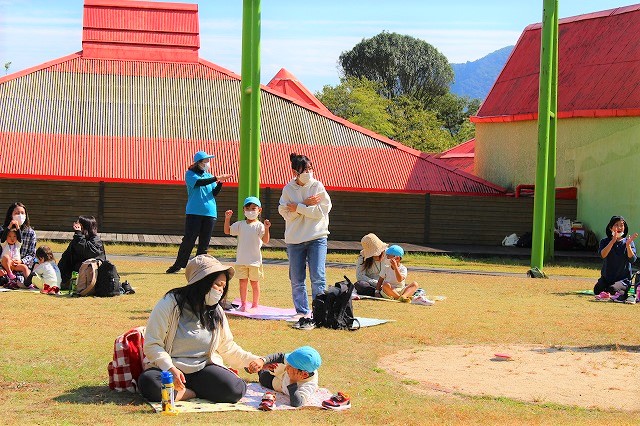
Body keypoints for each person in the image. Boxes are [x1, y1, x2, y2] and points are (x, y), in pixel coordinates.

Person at [140, 254, 260, 403]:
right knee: (148, 383)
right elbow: (152, 344)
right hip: (170, 369)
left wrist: (254, 360)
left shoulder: (216, 311)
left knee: (235, 389)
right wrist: (170, 368)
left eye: (223, 287)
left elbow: (227, 347)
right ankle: (190, 393)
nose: (220, 291)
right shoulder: (169, 303)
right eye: (217, 285)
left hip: (202, 369)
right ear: (202, 282)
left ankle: (182, 392)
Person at [278, 153, 332, 326]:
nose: (308, 172)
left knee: (318, 276)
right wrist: (305, 205)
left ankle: (319, 311)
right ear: (295, 172)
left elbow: (321, 211)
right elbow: (285, 213)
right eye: (304, 170)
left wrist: (299, 207)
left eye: (310, 168)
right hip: (294, 240)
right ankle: (301, 311)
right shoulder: (288, 189)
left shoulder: (317, 186)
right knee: (296, 279)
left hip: (317, 237)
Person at [166, 151, 234, 274]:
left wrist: (220, 182)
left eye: (209, 160)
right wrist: (217, 178)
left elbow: (214, 193)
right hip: (194, 212)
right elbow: (199, 183)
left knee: (204, 243)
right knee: (189, 240)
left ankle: (199, 268)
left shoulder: (209, 176)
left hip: (210, 213)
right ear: (199, 162)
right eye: (206, 160)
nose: (208, 163)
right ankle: (178, 265)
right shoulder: (190, 174)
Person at [223, 196, 271, 312]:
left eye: (253, 208)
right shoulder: (240, 224)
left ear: (259, 210)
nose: (250, 211)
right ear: (243, 210)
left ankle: (255, 305)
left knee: (254, 283)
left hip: (255, 261)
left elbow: (265, 240)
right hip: (241, 260)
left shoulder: (259, 225)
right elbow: (227, 231)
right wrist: (227, 219)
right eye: (247, 208)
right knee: (242, 283)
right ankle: (243, 304)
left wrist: (267, 228)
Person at [247, 345, 321, 409]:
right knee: (272, 365)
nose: (287, 365)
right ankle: (255, 365)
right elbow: (280, 356)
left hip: (280, 386)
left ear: (304, 374)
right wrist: (263, 360)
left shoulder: (309, 385)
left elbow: (297, 403)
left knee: (263, 379)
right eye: (288, 363)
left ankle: (258, 369)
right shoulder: (295, 364)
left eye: (290, 365)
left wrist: (293, 381)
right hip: (282, 371)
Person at [594, 215, 638, 303]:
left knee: (612, 289)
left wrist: (628, 245)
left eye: (622, 225)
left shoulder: (628, 242)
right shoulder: (604, 241)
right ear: (611, 228)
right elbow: (602, 255)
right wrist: (612, 241)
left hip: (623, 280)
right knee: (597, 289)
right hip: (607, 278)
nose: (619, 227)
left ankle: (620, 293)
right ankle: (611, 292)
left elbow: (632, 259)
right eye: (616, 225)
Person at [57, 216, 106, 288]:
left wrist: (78, 234)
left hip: (90, 280)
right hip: (73, 278)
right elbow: (66, 258)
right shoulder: (77, 239)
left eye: (78, 225)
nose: (75, 226)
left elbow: (86, 252)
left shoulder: (95, 240)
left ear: (84, 227)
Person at [0, 202, 37, 277]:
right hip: (3, 266)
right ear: (11, 215)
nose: (20, 215)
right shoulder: (2, 230)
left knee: (24, 273)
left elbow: (32, 254)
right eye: (17, 213)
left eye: (22, 213)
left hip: (21, 267)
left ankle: (28, 281)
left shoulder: (30, 233)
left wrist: (21, 261)